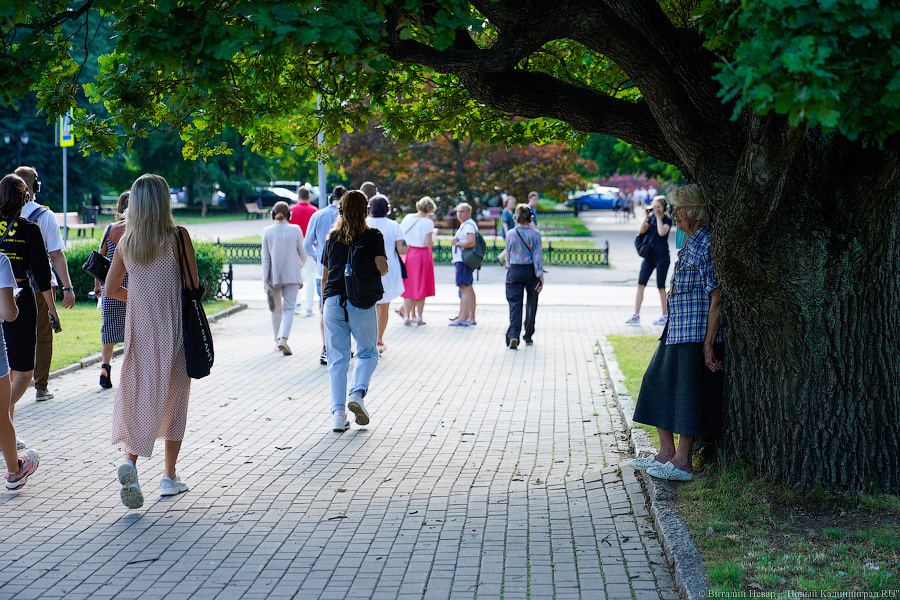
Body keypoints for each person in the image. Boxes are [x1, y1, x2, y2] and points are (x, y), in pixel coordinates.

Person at [105, 173, 200, 508]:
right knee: (174, 402)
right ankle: (169, 477)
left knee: (143, 397)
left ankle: (130, 462)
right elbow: (193, 285)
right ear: (165, 201)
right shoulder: (177, 237)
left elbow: (111, 289)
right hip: (173, 330)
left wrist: (141, 297)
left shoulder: (127, 241)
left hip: (139, 331)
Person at [630, 184, 723, 482]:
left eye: (680, 208)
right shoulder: (691, 242)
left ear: (694, 211)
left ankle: (683, 463)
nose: (674, 214)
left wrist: (709, 344)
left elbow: (716, 297)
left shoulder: (706, 244)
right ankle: (665, 454)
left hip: (694, 334)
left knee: (686, 395)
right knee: (656, 383)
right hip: (676, 328)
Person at [320, 190, 388, 433]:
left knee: (337, 358)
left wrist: (323, 305)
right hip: (360, 301)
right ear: (365, 210)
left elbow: (325, 277)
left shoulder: (331, 238)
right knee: (368, 352)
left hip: (332, 302)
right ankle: (357, 393)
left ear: (341, 209)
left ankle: (338, 415)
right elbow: (382, 268)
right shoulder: (372, 236)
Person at [0, 174, 60, 433]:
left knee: (7, 373)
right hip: (20, 300)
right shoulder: (29, 229)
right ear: (25, 198)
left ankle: (8, 433)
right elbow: (43, 276)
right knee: (23, 372)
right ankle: (1, 414)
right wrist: (53, 311)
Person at [15, 166, 76, 402]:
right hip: (40, 287)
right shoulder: (45, 216)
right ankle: (41, 387)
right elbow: (57, 255)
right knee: (42, 336)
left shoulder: (3, 214)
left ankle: (11, 384)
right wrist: (67, 287)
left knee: (11, 335)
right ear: (35, 187)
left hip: (9, 287)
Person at [0, 251, 39, 490]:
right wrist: (13, 301)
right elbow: (9, 314)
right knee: (2, 413)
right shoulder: (1, 261)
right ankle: (15, 471)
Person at [304, 185, 345, 365]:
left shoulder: (318, 216)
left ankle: (326, 346)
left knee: (325, 310)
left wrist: (317, 256)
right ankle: (343, 346)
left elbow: (307, 244)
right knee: (345, 309)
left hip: (323, 271)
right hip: (345, 271)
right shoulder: (347, 217)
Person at [93, 191, 130, 389]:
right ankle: (129, 371)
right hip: (130, 288)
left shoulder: (109, 229)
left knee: (108, 329)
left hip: (110, 287)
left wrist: (98, 286)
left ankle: (105, 368)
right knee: (130, 330)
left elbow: (100, 258)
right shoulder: (136, 229)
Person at [262, 201, 307, 355]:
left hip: (274, 277)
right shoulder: (295, 230)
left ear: (272, 214)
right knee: (289, 309)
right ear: (290, 214)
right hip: (292, 276)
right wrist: (298, 266)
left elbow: (265, 259)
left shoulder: (267, 231)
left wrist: (265, 280)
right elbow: (303, 254)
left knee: (276, 310)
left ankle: (276, 341)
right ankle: (283, 339)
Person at [366, 195, 407, 352]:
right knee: (384, 305)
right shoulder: (394, 225)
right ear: (387, 209)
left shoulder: (365, 223)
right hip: (388, 269)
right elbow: (402, 249)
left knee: (367, 305)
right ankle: (379, 340)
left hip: (367, 268)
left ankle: (367, 339)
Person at [626, 195, 673, 326]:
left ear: (664, 208)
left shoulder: (667, 220)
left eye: (659, 207)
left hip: (662, 257)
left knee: (661, 287)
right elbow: (641, 230)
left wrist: (658, 217)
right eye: (654, 206)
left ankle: (664, 315)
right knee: (640, 284)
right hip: (649, 256)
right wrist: (647, 216)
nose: (656, 209)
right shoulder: (650, 218)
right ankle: (636, 314)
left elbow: (662, 232)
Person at [504, 204, 544, 349]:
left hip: (514, 270)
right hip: (531, 272)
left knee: (515, 304)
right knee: (531, 303)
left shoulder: (510, 234)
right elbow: (537, 257)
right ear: (530, 217)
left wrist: (511, 266)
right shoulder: (535, 235)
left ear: (516, 217)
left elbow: (508, 257)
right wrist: (540, 276)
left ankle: (513, 335)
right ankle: (528, 334)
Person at [399, 196, 436, 325]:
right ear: (430, 209)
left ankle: (407, 317)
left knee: (408, 286)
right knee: (422, 286)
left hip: (409, 253)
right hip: (422, 255)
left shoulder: (408, 218)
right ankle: (419, 317)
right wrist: (434, 236)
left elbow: (401, 235)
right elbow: (428, 243)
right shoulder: (428, 223)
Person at [289, 186, 318, 317]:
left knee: (295, 278)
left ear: (298, 196)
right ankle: (309, 307)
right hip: (310, 248)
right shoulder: (315, 211)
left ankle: (296, 304)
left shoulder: (291, 211)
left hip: (294, 249)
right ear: (309, 197)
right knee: (310, 277)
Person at [449, 202, 478, 327]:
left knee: (464, 288)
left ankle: (463, 318)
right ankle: (468, 316)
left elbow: (471, 242)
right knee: (468, 288)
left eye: (462, 212)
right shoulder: (467, 225)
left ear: (468, 213)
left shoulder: (468, 226)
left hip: (463, 260)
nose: (459, 214)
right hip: (465, 260)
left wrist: (457, 243)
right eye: (457, 212)